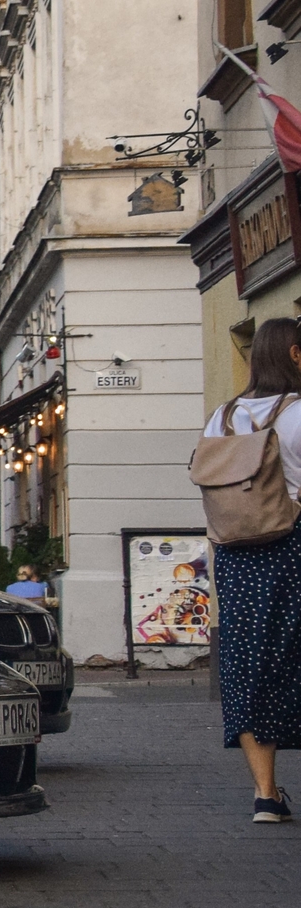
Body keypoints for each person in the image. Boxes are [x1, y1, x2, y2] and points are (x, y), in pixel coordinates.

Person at [208, 317, 301, 824]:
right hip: (292, 545)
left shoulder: (220, 418)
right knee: (292, 658)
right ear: (295, 355)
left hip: (237, 551)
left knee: (247, 664)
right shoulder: (299, 414)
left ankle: (266, 794)